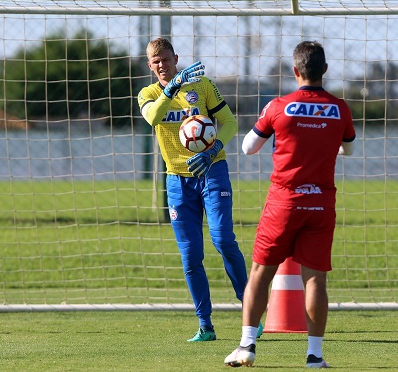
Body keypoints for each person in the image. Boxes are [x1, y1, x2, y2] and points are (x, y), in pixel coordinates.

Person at [224, 41, 356, 368]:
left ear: (295, 71)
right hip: (321, 203)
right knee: (315, 280)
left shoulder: (278, 106)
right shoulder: (340, 108)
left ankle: (247, 346)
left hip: (284, 201)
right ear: (324, 70)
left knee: (259, 273)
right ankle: (314, 355)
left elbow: (247, 148)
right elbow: (348, 149)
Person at [137, 37, 261, 342]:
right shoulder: (149, 93)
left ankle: (251, 313)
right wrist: (171, 89)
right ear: (149, 65)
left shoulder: (202, 86)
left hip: (212, 170)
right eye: (156, 62)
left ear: (176, 58)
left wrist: (212, 148)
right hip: (177, 181)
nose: (162, 66)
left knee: (223, 239)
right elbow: (153, 118)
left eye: (166, 59)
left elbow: (229, 122)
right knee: (190, 255)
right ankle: (205, 325)